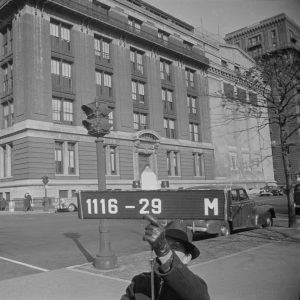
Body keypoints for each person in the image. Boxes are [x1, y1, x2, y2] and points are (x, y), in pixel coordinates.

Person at [121, 215, 210, 300]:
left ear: (187, 257)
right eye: (165, 244)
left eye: (175, 247)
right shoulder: (139, 282)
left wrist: (165, 252)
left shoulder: (195, 286)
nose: (169, 250)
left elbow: (199, 297)